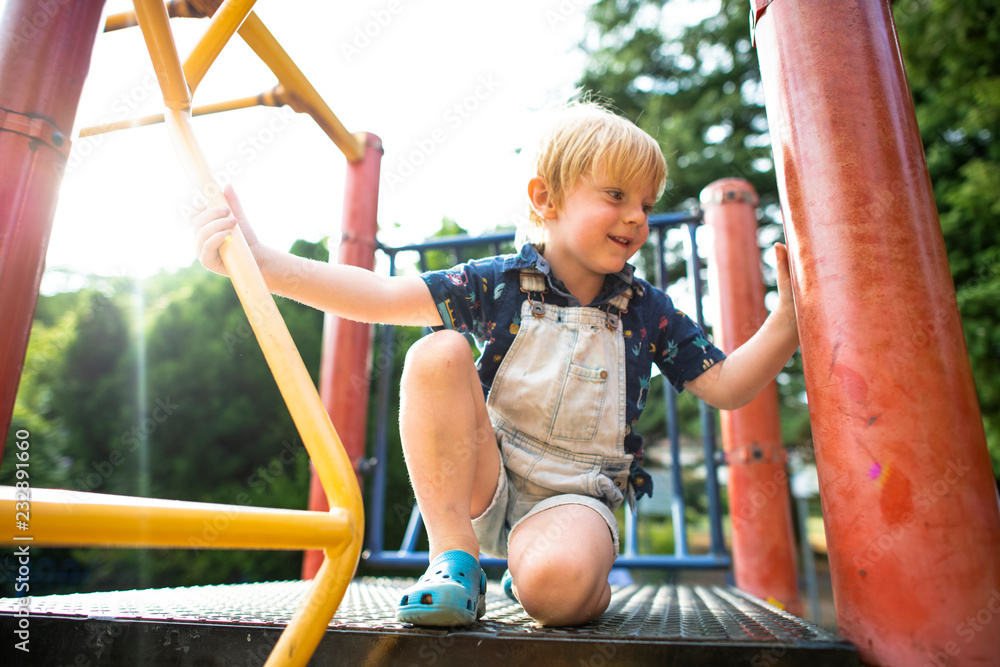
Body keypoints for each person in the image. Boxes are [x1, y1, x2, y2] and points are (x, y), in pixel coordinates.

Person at [192, 101, 799, 629]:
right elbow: (378, 296)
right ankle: (455, 559)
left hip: (574, 496)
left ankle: (560, 575)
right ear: (547, 198)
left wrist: (788, 321)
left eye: (646, 202)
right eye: (616, 196)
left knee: (555, 593)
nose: (638, 216)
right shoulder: (501, 284)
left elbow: (725, 385)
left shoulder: (649, 312)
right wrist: (262, 262)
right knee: (437, 350)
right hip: (485, 471)